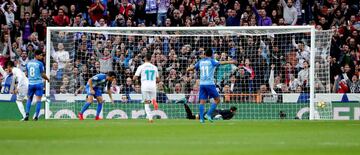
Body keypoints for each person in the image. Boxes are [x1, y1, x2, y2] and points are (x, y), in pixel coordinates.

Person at [187, 48, 236, 123]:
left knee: (202, 102)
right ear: (212, 54)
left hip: (202, 84)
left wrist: (188, 69)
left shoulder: (201, 61)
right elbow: (221, 63)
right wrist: (231, 61)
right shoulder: (212, 61)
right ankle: (208, 114)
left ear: (205, 54)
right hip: (210, 84)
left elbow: (193, 68)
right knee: (217, 100)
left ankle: (201, 119)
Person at [133, 52, 159, 123]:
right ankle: (154, 102)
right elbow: (158, 79)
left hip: (144, 86)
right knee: (152, 101)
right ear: (151, 59)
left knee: (146, 103)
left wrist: (135, 79)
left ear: (145, 59)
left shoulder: (141, 67)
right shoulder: (154, 67)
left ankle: (150, 119)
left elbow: (135, 77)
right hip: (153, 86)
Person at [24, 50, 50, 121]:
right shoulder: (40, 63)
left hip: (31, 84)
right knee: (39, 100)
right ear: (36, 55)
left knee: (29, 99)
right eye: (40, 55)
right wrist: (47, 79)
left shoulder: (28, 63)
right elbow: (42, 74)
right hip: (38, 84)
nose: (41, 57)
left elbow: (26, 74)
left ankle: (27, 114)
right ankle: (36, 117)